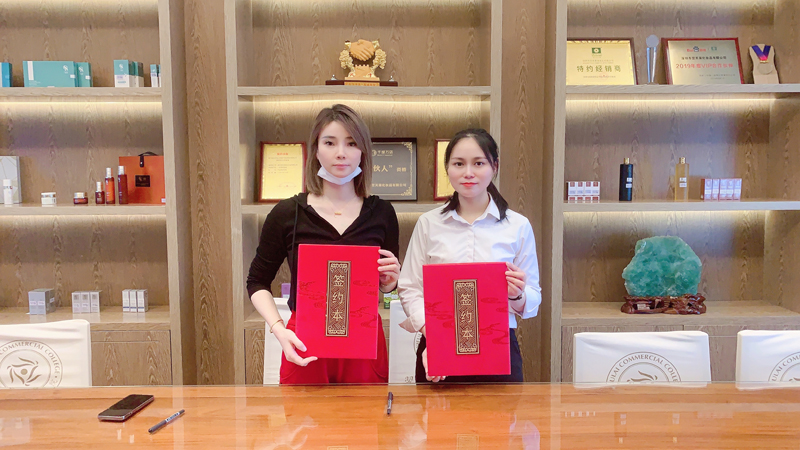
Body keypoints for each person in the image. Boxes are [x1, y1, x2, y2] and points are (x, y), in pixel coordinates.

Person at [247, 104, 400, 384]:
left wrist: (390, 281)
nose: (341, 152)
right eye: (330, 143)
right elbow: (256, 281)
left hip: (363, 340)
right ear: (315, 150)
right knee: (304, 413)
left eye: (351, 143)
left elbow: (385, 285)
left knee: (366, 413)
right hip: (304, 340)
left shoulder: (382, 213)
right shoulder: (287, 213)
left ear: (363, 152)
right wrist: (278, 328)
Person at [397, 128, 542, 383]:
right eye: (458, 164)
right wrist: (434, 336)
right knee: (436, 411)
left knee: (501, 410)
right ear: (447, 168)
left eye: (478, 163)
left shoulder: (517, 226)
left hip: (498, 348)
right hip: (438, 345)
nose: (468, 172)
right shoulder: (428, 224)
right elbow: (409, 288)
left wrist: (517, 294)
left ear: (495, 166)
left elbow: (533, 297)